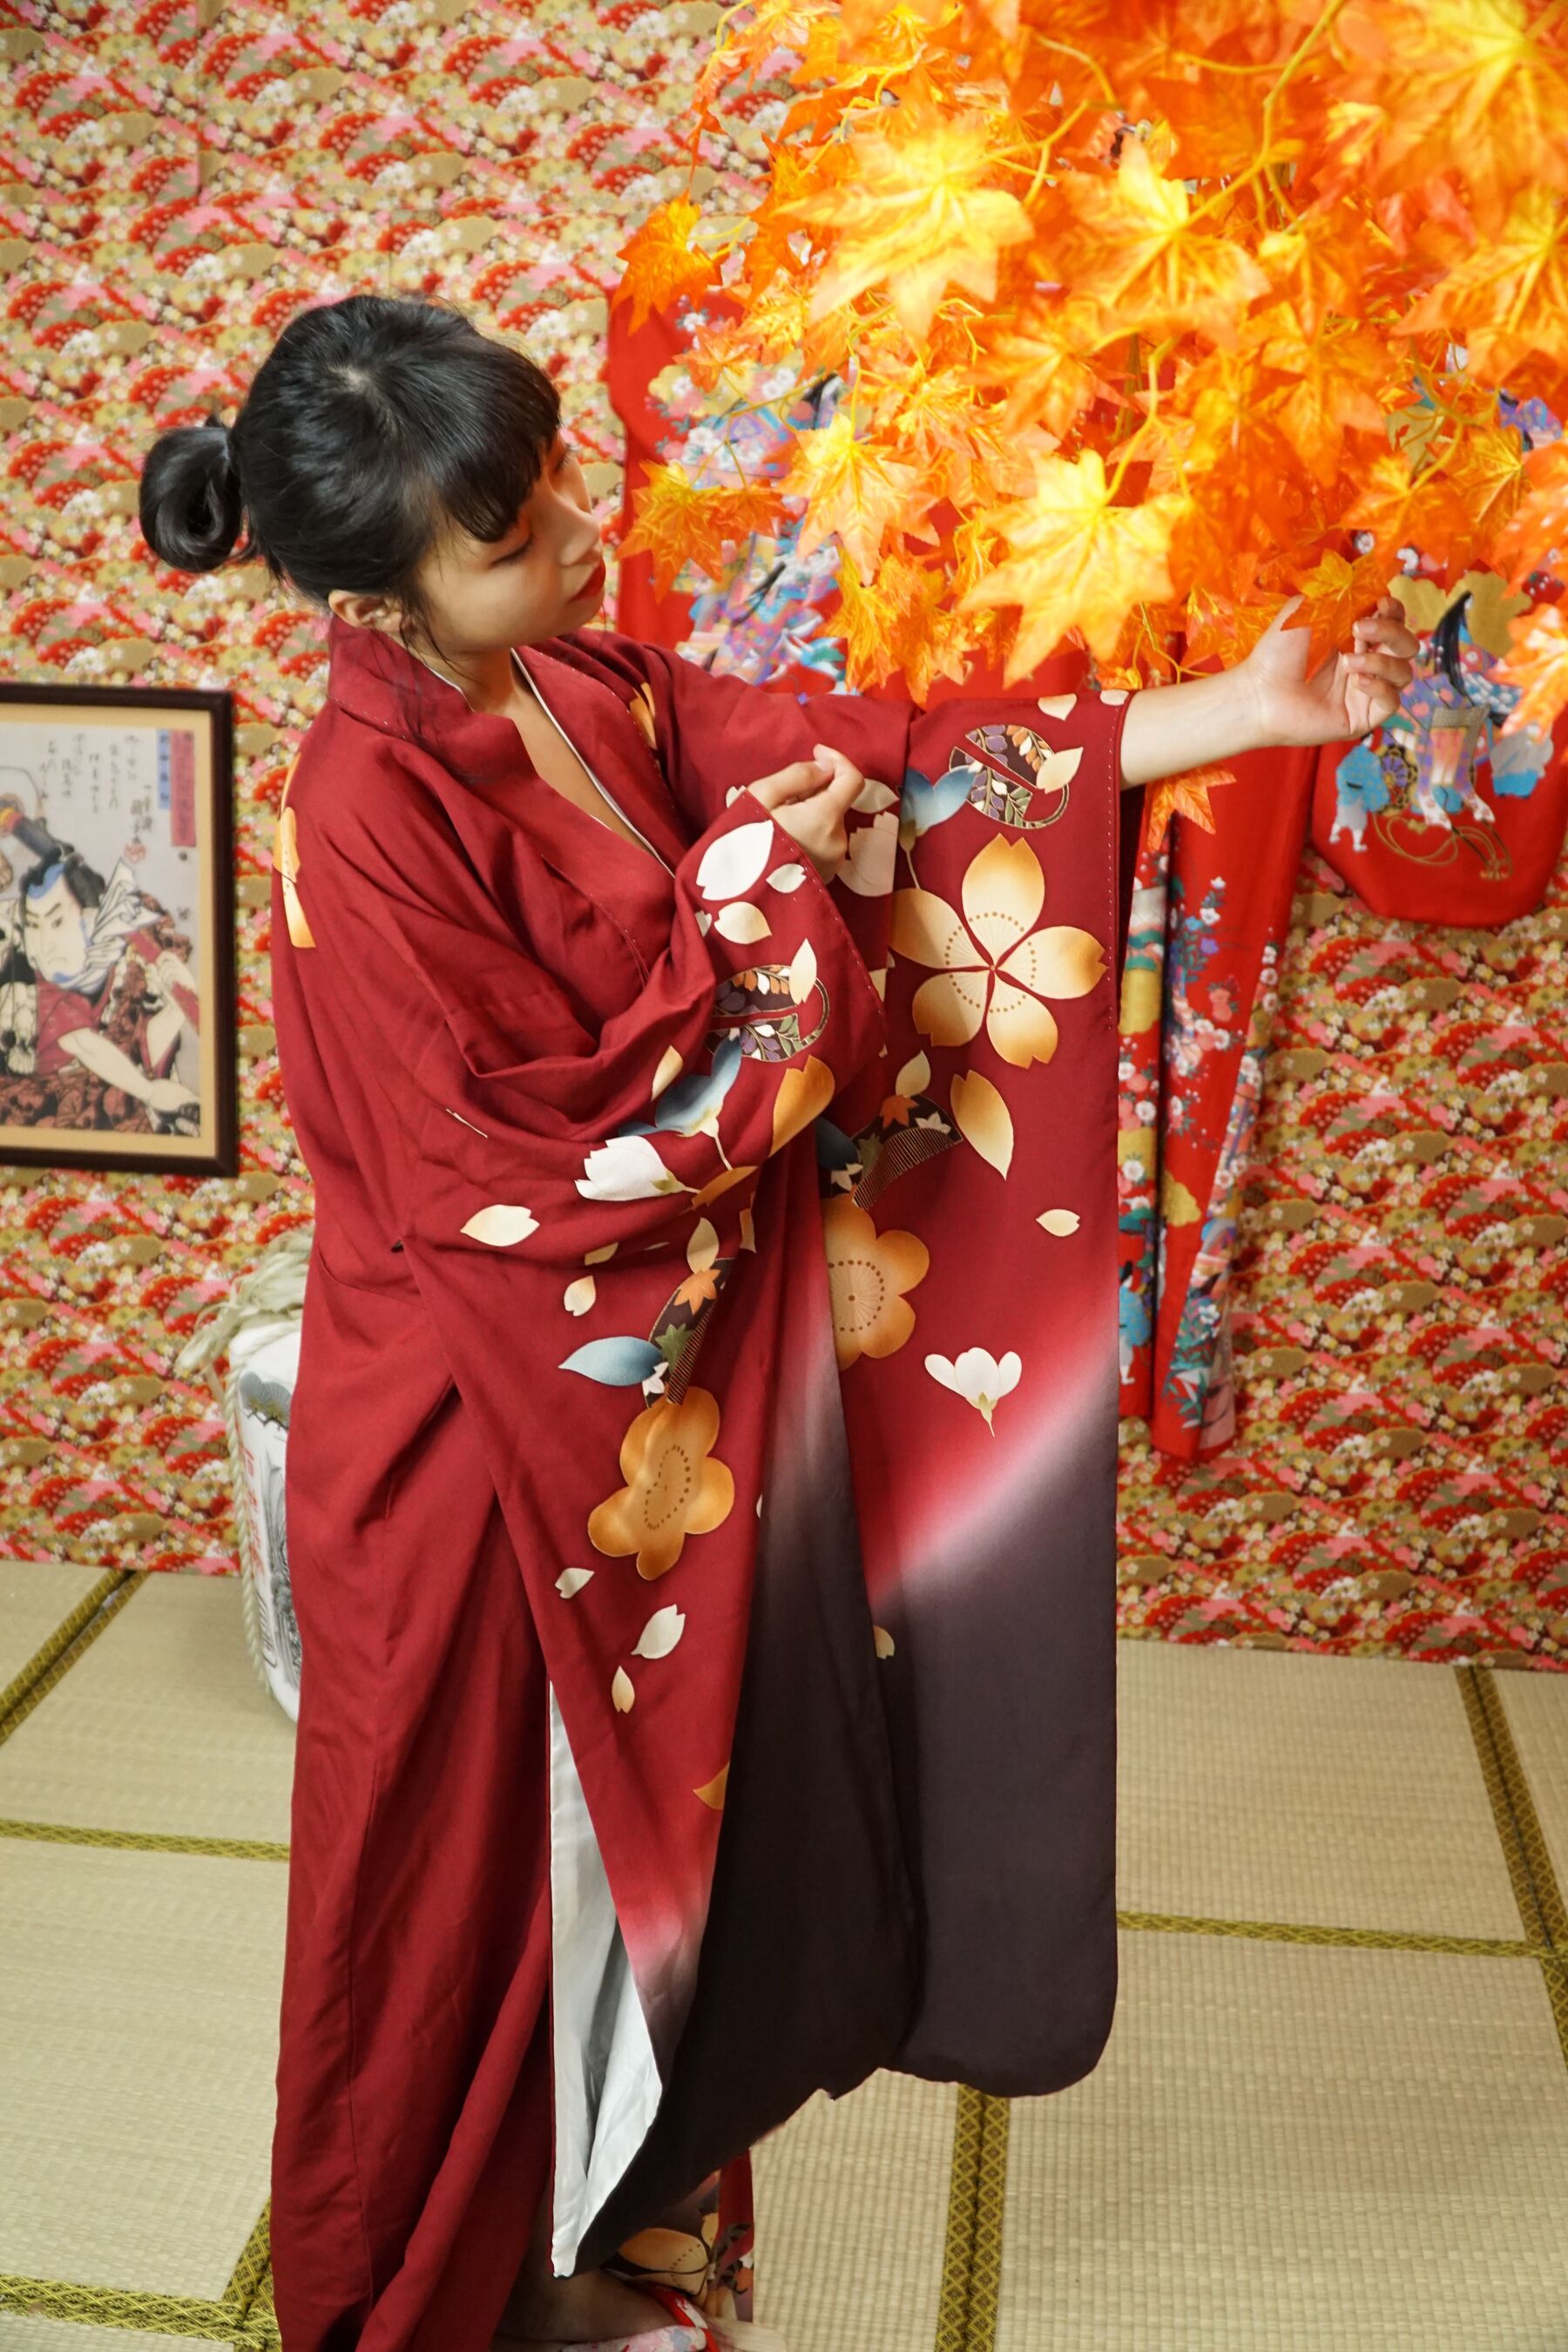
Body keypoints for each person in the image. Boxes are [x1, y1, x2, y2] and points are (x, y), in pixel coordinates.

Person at [138, 294, 1415, 2352]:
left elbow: (901, 765)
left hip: (628, 1416)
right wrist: (747, 898)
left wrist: (1239, 713)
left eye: (558, 472)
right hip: (480, 1438)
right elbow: (536, 1168)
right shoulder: (361, 817)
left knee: (661, 1871)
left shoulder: (578, 681)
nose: (584, 530)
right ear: (378, 603)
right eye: (513, 532)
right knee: (482, 1898)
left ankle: (609, 2254)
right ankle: (451, 2302)